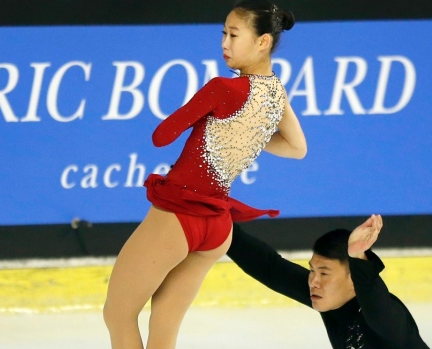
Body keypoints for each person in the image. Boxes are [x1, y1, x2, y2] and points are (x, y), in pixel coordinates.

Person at [103, 2, 306, 349]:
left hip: (179, 216)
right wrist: (247, 132)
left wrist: (206, 115)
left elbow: (161, 136)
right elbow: (296, 147)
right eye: (223, 34)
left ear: (263, 42)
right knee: (164, 326)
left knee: (118, 315)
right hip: (217, 228)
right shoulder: (276, 93)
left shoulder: (222, 89)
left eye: (234, 35)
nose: (224, 43)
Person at [227, 215, 431, 349]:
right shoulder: (331, 298)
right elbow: (271, 268)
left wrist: (358, 257)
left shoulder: (388, 322)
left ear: (352, 278)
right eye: (312, 270)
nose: (314, 281)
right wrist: (220, 226)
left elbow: (375, 300)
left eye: (324, 273)